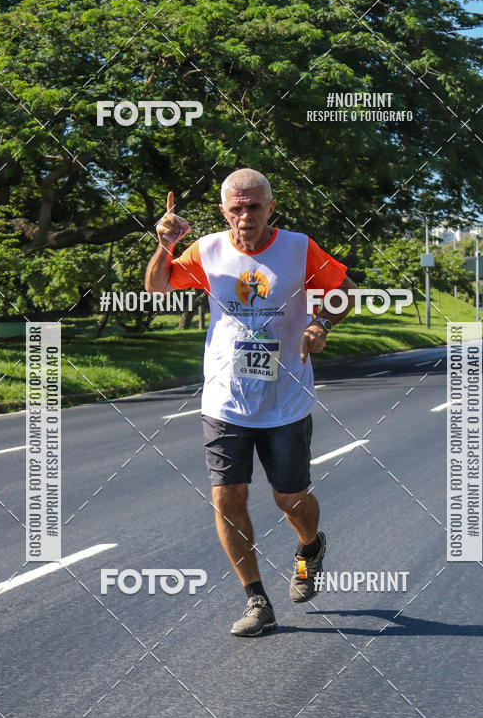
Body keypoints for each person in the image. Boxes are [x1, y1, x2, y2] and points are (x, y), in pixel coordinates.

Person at [145, 168, 358, 636]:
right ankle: (256, 600)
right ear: (224, 211)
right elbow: (159, 287)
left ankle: (309, 547)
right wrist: (165, 245)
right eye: (236, 208)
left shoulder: (299, 248)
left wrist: (320, 323)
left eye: (254, 206)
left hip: (285, 399)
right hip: (225, 399)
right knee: (227, 498)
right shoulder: (208, 250)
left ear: (270, 207)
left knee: (290, 498)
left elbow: (343, 291)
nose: (245, 216)